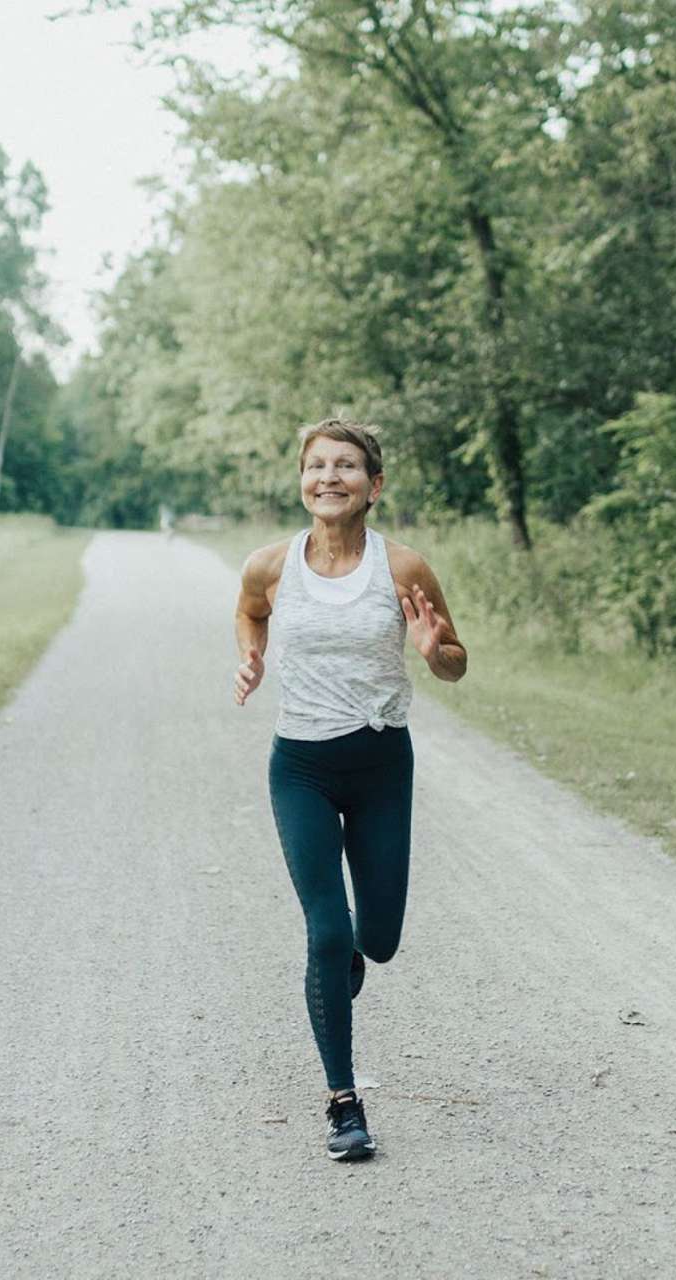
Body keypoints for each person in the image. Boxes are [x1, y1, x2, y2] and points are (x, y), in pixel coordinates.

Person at [233, 417, 467, 1161]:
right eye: (316, 466)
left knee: (379, 939)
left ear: (374, 486)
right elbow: (249, 612)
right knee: (326, 933)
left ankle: (354, 959)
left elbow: (457, 658)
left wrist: (436, 654)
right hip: (300, 766)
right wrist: (251, 657)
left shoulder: (404, 569)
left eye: (347, 466)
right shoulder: (270, 565)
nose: (329, 477)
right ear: (301, 479)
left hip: (379, 766)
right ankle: (343, 1104)